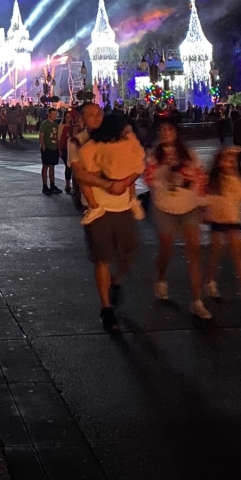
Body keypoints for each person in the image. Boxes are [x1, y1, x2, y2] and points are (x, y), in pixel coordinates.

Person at [71, 103, 145, 331]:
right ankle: (106, 308)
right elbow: (80, 174)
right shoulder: (78, 142)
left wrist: (127, 185)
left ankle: (117, 281)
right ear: (82, 119)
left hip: (123, 204)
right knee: (102, 257)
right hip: (99, 207)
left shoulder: (118, 135)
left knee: (129, 251)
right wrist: (106, 187)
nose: (96, 117)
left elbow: (135, 163)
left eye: (99, 113)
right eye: (90, 115)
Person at [145, 120, 210, 319]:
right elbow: (149, 179)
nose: (165, 132)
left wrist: (201, 199)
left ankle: (197, 300)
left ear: (176, 132)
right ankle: (161, 278)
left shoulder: (189, 154)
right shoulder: (154, 156)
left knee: (194, 252)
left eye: (169, 129)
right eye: (162, 130)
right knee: (166, 246)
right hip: (165, 206)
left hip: (188, 206)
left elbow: (201, 177)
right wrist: (164, 175)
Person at [202, 147, 241, 307]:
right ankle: (210, 281)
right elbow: (205, 199)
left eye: (232, 160)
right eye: (226, 159)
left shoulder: (234, 177)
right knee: (215, 254)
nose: (229, 163)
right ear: (218, 162)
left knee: (239, 257)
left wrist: (234, 175)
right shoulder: (213, 180)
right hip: (217, 221)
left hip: (233, 220)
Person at [38, 108, 63, 195]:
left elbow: (56, 137)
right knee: (45, 166)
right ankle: (45, 186)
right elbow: (41, 136)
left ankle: (52, 185)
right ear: (49, 114)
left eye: (55, 114)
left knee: (52, 167)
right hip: (47, 148)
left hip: (54, 148)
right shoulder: (45, 124)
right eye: (53, 114)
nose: (54, 116)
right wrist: (44, 147)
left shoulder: (55, 124)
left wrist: (58, 149)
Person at [58, 110, 73, 193]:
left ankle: (70, 184)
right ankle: (67, 185)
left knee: (71, 167)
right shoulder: (62, 126)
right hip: (64, 148)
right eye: (66, 116)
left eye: (69, 116)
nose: (68, 118)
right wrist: (59, 149)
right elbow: (59, 138)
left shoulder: (72, 126)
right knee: (68, 166)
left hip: (71, 148)